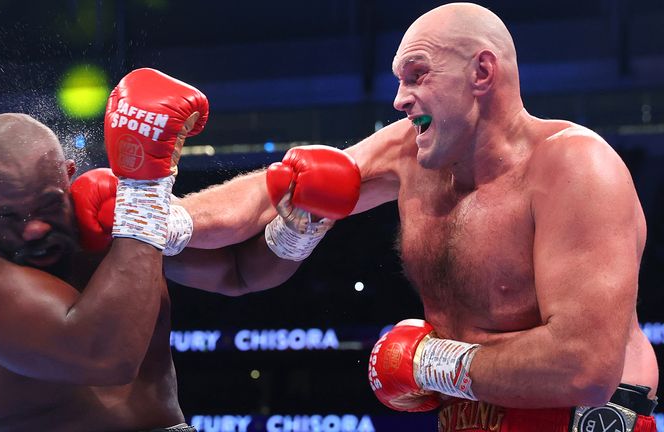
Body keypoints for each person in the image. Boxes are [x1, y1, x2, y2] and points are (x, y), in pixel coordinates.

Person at [174, 3, 659, 431]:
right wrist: (153, 216)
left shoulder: (573, 167)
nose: (399, 98)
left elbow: (586, 369)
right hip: (466, 416)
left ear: (481, 73)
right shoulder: (409, 152)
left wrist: (427, 363)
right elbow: (278, 190)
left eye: (417, 74)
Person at [0, 67, 361, 432]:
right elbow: (105, 356)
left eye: (47, 204)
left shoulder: (107, 215)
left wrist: (302, 223)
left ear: (68, 175)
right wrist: (145, 190)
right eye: (4, 216)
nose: (32, 229)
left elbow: (239, 272)